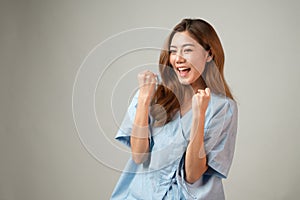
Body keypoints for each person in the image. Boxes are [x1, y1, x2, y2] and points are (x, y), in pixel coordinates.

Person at [111, 18, 238, 200]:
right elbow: (139, 156)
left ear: (209, 54)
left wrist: (198, 116)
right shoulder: (152, 91)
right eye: (173, 52)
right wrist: (145, 100)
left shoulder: (223, 108)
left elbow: (193, 174)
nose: (178, 59)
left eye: (187, 50)